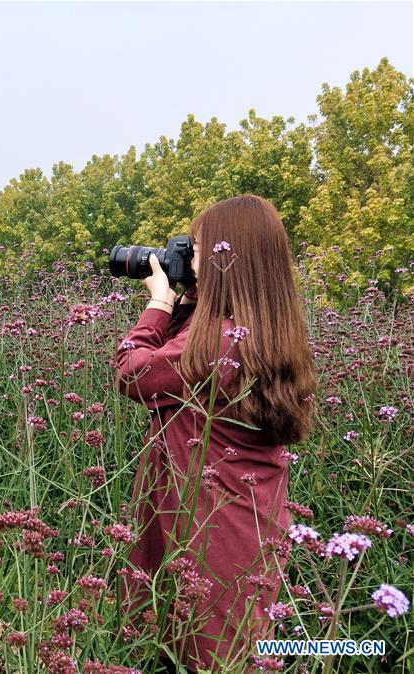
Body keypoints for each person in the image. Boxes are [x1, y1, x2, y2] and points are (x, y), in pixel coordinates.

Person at [111, 194, 317, 673]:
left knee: (211, 656)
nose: (191, 262)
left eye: (199, 252)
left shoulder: (220, 344)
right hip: (246, 522)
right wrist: (189, 301)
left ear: (230, 262)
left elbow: (132, 372)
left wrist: (160, 304)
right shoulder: (261, 332)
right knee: (236, 646)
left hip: (207, 531)